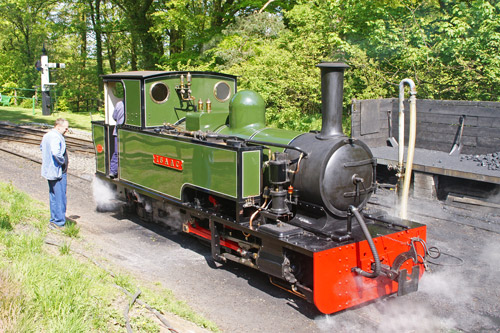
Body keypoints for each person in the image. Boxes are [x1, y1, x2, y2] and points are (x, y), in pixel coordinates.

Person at [40, 118, 69, 228]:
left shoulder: (47, 135)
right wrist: (62, 162)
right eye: (65, 128)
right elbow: (56, 152)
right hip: (58, 172)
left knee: (53, 196)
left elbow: (42, 148)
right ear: (58, 127)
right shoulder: (56, 136)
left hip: (49, 170)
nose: (67, 131)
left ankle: (53, 219)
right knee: (60, 197)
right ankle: (59, 222)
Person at [110, 100, 124, 178]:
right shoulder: (133, 105)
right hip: (124, 132)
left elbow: (114, 116)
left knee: (116, 152)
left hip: (118, 131)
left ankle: (113, 171)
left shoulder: (119, 104)